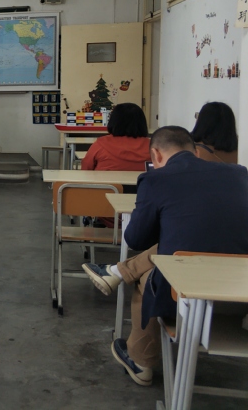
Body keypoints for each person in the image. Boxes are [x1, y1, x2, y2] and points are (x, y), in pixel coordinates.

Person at [97, 127, 248, 386]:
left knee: (147, 278)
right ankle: (117, 272)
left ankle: (141, 361)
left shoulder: (155, 179)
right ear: (196, 152)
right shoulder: (239, 173)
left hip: (183, 297)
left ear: (155, 155)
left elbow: (136, 239)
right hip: (239, 296)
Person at [83, 101, 240, 298]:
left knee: (172, 239)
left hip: (109, 215)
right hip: (235, 254)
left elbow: (86, 171)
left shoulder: (107, 148)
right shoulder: (239, 168)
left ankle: (119, 272)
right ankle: (118, 271)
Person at [80, 103, 149, 171]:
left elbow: (86, 168)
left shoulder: (100, 144)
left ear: (113, 121)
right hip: (142, 179)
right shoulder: (152, 147)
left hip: (104, 178)